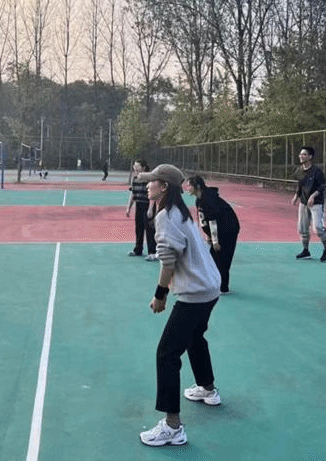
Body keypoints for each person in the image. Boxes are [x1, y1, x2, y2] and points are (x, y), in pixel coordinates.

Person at [138, 164, 222, 447]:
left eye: (152, 182)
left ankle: (173, 426)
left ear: (164, 187)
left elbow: (168, 261)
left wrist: (160, 295)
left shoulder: (166, 216)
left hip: (196, 293)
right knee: (195, 338)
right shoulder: (179, 212)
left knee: (167, 354)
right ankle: (208, 389)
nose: (147, 185)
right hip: (210, 287)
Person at [186, 175, 240, 294]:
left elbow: (213, 220)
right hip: (219, 230)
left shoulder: (209, 198)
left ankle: (223, 288)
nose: (187, 188)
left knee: (223, 258)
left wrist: (215, 240)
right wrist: (209, 235)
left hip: (228, 230)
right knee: (212, 258)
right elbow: (204, 219)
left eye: (189, 185)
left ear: (197, 186)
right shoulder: (199, 200)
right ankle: (215, 284)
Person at [291, 146, 326, 261]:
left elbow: (322, 186)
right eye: (300, 154)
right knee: (302, 228)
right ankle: (306, 251)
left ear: (310, 157)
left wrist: (313, 196)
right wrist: (296, 196)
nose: (301, 156)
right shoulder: (299, 170)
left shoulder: (317, 171)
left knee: (317, 227)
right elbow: (300, 185)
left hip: (316, 202)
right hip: (304, 202)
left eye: (304, 154)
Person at [126, 159, 156, 258]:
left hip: (148, 205)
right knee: (139, 228)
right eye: (134, 166)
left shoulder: (149, 179)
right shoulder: (135, 179)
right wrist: (128, 207)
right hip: (139, 205)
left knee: (150, 230)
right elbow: (132, 193)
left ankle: (152, 252)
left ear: (143, 167)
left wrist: (150, 209)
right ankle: (138, 249)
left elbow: (153, 194)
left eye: (137, 166)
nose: (135, 168)